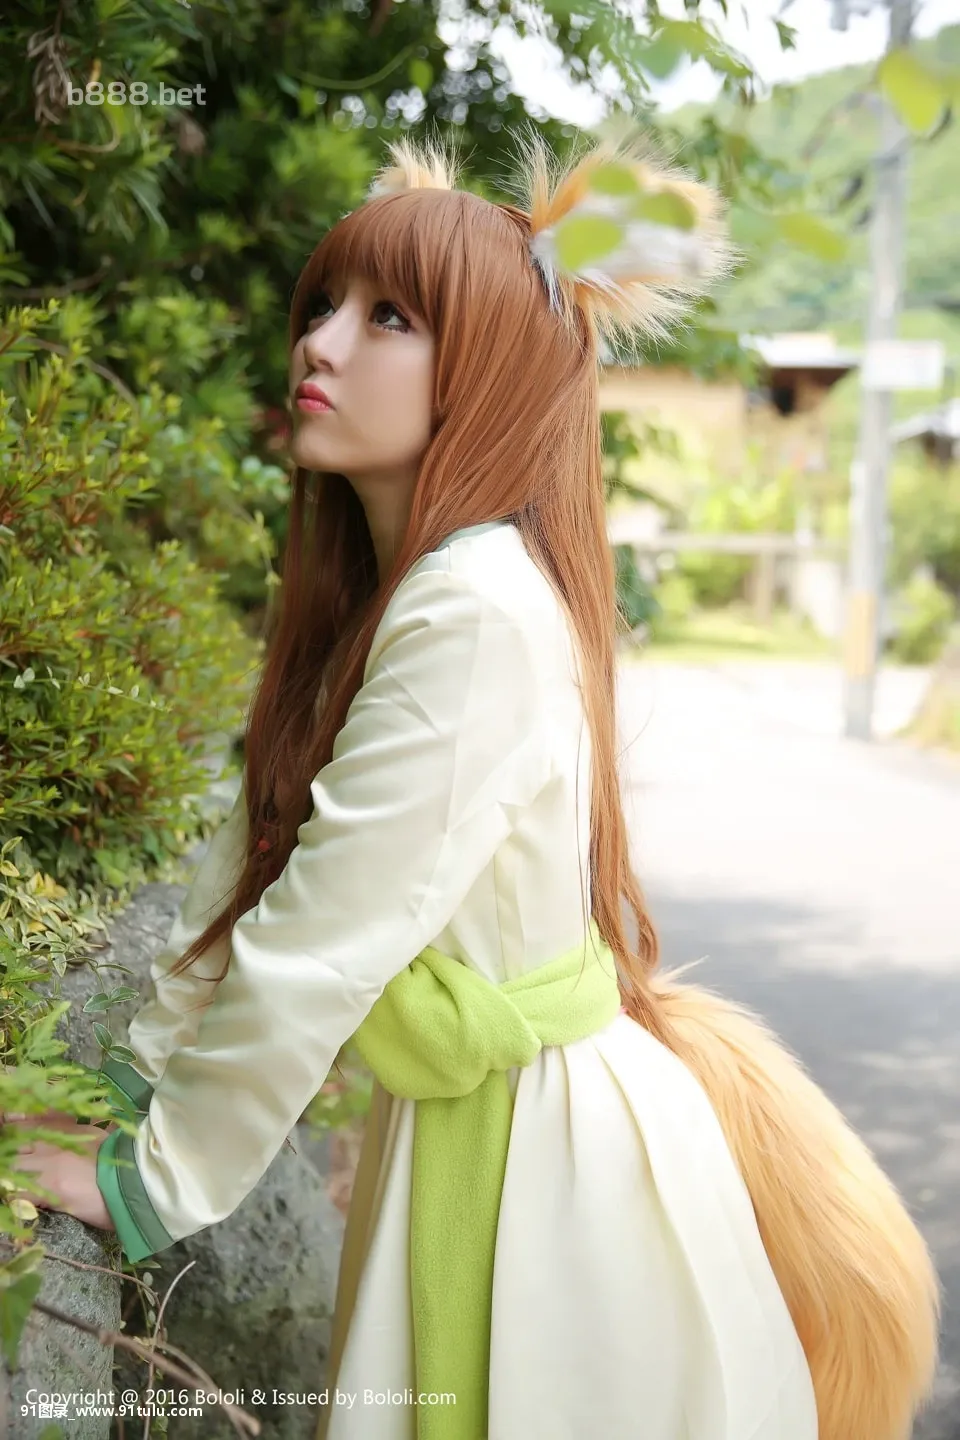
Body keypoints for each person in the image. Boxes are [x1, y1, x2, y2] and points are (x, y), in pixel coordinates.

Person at [11, 127, 938, 1440]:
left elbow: (320, 937)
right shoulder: (411, 597)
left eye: (389, 317)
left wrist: (149, 1179)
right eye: (325, 304)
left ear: (491, 369)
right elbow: (253, 869)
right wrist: (128, 1094)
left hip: (544, 1171)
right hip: (482, 1131)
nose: (321, 343)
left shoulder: (475, 610)